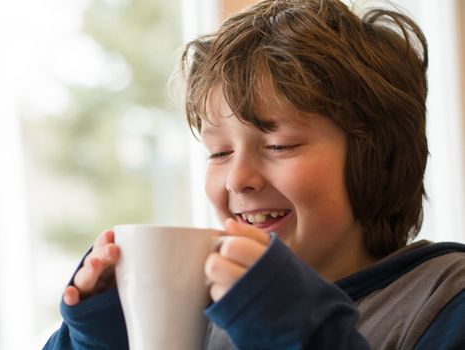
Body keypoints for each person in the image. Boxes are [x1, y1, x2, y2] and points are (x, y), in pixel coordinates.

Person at [43, 0, 465, 349]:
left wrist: (297, 335)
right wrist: (100, 336)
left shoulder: (446, 299)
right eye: (219, 151)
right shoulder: (199, 318)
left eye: (279, 145)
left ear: (379, 155)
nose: (236, 179)